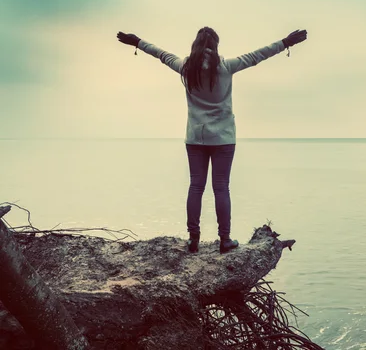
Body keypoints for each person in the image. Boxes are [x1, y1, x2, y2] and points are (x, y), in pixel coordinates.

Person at [116, 27, 308, 254]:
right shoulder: (226, 67)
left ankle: (193, 240)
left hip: (195, 138)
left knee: (196, 187)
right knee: (221, 189)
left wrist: (137, 41)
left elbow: (160, 54)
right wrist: (286, 42)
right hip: (224, 139)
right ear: (216, 45)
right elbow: (259, 55)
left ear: (195, 44)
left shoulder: (186, 68)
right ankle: (224, 240)